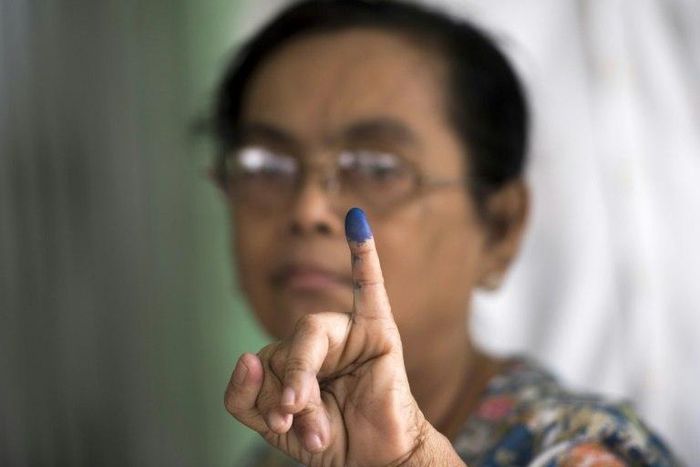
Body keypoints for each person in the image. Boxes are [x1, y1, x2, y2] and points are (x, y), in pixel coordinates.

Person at [214, 1, 679, 465]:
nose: (307, 209)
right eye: (266, 166)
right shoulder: (278, 452)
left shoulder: (585, 451)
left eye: (377, 167)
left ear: (500, 228)